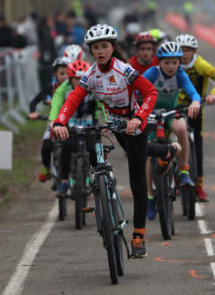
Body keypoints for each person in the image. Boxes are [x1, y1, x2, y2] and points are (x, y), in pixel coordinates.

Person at [52, 24, 160, 258]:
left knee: (136, 179)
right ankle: (101, 190)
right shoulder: (90, 73)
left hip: (134, 124)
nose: (100, 51)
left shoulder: (125, 70)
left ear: (113, 47)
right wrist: (60, 121)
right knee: (99, 147)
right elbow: (73, 99)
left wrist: (139, 118)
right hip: (113, 125)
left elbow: (151, 93)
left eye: (104, 46)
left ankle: (139, 236)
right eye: (95, 48)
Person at [142, 41, 201, 219]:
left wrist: (195, 102)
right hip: (151, 114)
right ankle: (150, 197)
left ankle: (184, 171)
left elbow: (193, 92)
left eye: (174, 62)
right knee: (149, 153)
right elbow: (136, 88)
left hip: (169, 114)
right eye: (166, 62)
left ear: (179, 63)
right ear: (159, 62)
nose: (171, 66)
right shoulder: (152, 73)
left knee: (182, 127)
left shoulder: (181, 75)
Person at [175, 34, 215, 202]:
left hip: (197, 108)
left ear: (195, 51)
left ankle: (199, 187)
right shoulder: (172, 64)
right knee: (169, 142)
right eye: (181, 50)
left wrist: (213, 94)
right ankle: (170, 180)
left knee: (197, 146)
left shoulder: (200, 64)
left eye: (188, 50)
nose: (184, 54)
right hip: (175, 108)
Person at [49, 60, 103, 196]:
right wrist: (53, 121)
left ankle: (97, 177)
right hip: (71, 125)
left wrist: (108, 122)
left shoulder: (93, 87)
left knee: (93, 149)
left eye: (82, 78)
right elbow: (56, 104)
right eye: (76, 79)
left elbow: (103, 103)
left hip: (90, 124)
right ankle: (64, 181)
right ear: (70, 78)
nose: (79, 82)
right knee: (65, 148)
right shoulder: (63, 89)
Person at [28, 56, 70, 183]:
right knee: (46, 146)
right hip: (54, 121)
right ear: (55, 74)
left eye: (68, 73)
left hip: (71, 121)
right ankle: (47, 167)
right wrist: (32, 112)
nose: (65, 77)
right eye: (62, 73)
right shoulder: (51, 87)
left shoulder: (75, 86)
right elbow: (34, 101)